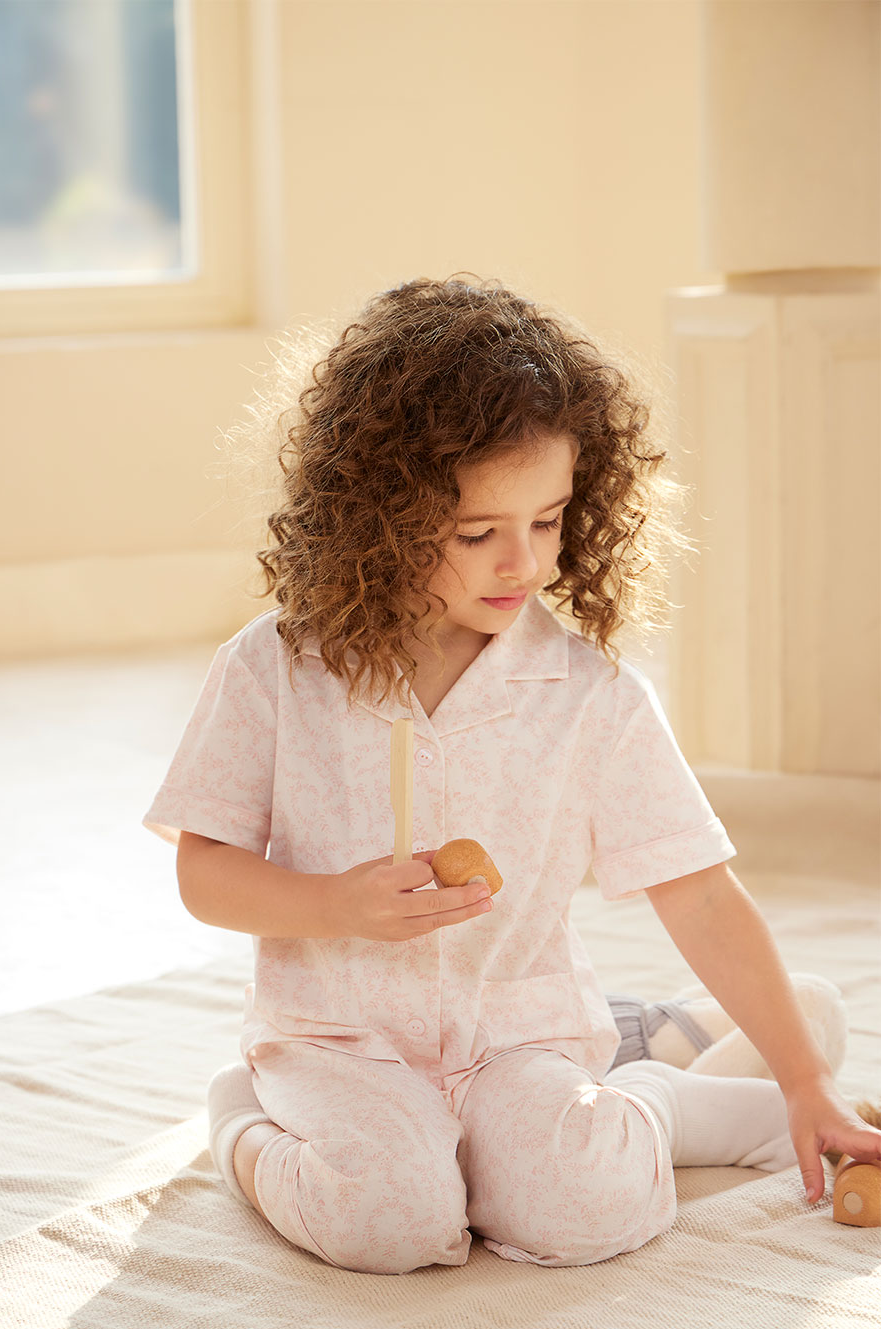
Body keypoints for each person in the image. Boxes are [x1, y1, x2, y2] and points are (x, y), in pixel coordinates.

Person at [143, 274, 880, 1274]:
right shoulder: (273, 666)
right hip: (337, 1038)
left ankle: (652, 1078)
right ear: (380, 513)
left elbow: (699, 890)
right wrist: (334, 904)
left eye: (550, 519)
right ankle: (242, 1115)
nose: (523, 563)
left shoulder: (591, 694)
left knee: (589, 1207)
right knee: (390, 1220)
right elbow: (204, 872)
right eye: (476, 532)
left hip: (518, 1038)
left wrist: (803, 1077)